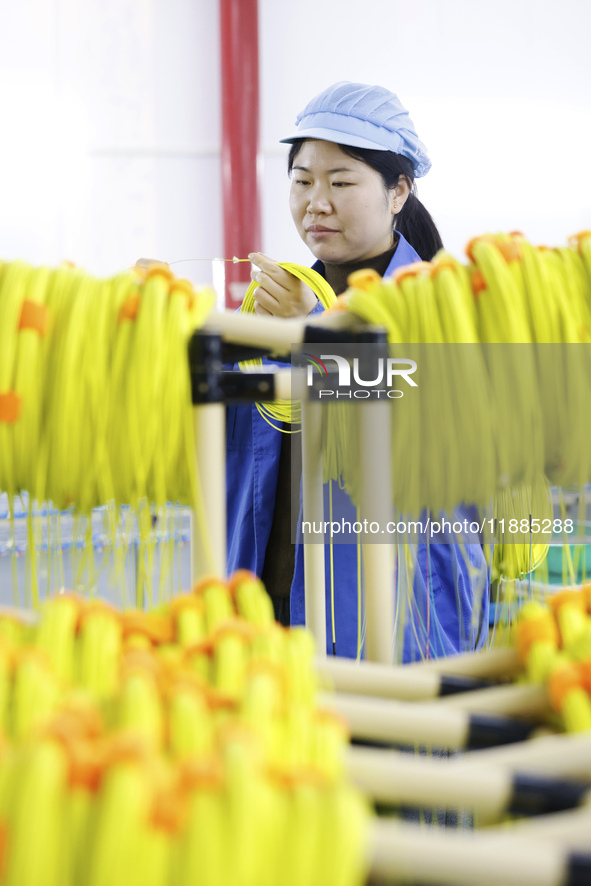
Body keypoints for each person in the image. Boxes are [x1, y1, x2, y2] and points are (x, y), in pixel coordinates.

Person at [226, 82, 490, 661]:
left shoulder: (444, 306)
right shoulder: (276, 306)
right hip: (268, 609)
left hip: (394, 616)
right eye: (301, 181)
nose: (315, 202)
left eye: (341, 182)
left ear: (399, 192)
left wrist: (314, 331)